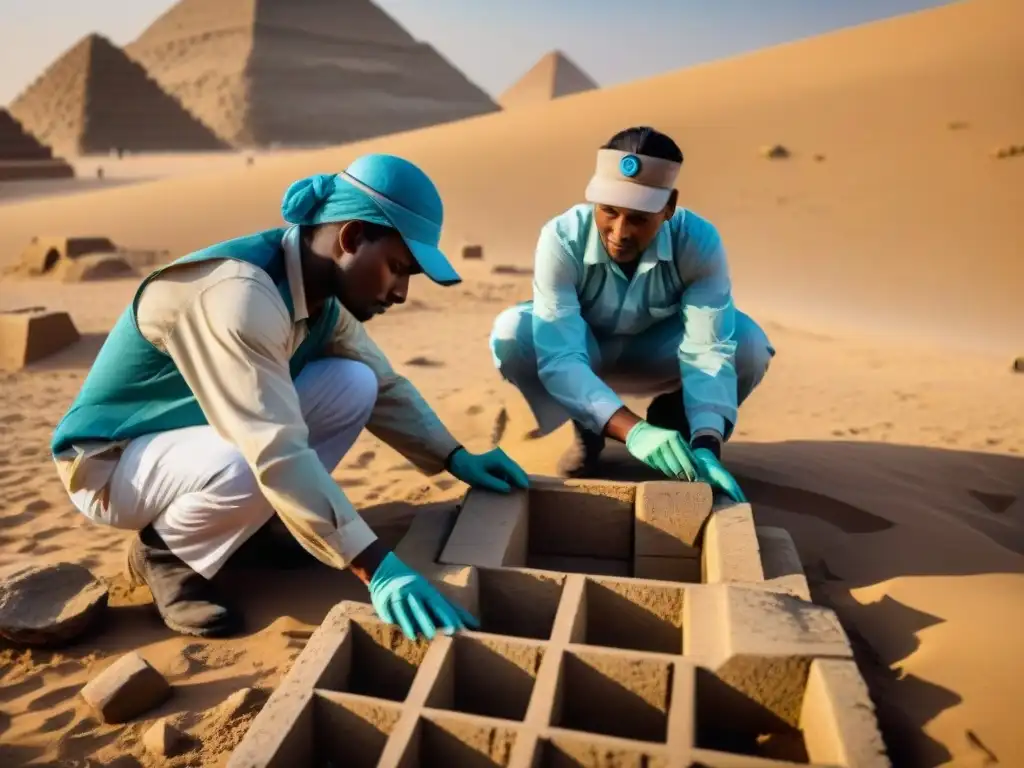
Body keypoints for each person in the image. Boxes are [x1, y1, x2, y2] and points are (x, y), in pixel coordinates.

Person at [50, 154, 529, 641]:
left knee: (354, 382)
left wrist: (454, 456)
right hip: (110, 465)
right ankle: (166, 555)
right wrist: (375, 568)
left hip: (189, 445)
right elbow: (274, 451)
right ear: (350, 239)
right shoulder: (241, 299)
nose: (401, 291)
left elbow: (383, 384)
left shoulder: (318, 293)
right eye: (397, 268)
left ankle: (250, 533)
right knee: (249, 456)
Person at [489, 126, 774, 501]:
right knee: (514, 333)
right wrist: (634, 432)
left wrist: (707, 443)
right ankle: (589, 429)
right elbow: (560, 354)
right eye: (609, 211)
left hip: (661, 355)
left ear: (669, 207)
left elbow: (709, 349)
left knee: (749, 343)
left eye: (638, 218)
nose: (620, 232)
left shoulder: (699, 241)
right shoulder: (561, 237)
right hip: (587, 352)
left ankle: (677, 423)